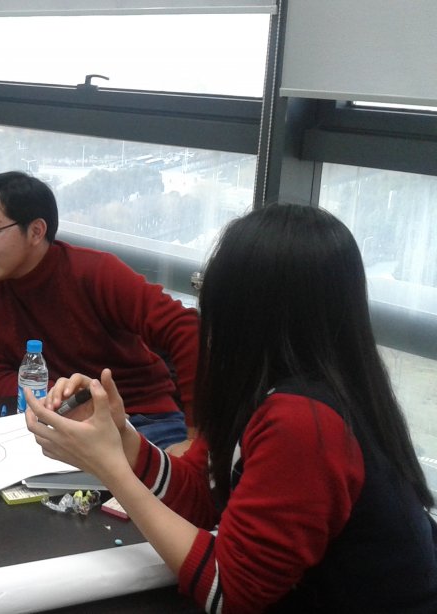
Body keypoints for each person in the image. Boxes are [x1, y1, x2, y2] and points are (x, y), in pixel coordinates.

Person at [25, 204, 437, 612]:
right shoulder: (271, 388)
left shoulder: (303, 422)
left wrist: (109, 467)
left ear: (245, 307)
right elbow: (203, 497)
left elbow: (229, 592)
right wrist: (122, 439)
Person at [0, 171, 198, 451]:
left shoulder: (95, 273)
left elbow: (186, 329)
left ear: (36, 231)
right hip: (50, 422)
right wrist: (63, 399)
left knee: (169, 479)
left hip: (140, 418)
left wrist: (197, 437)